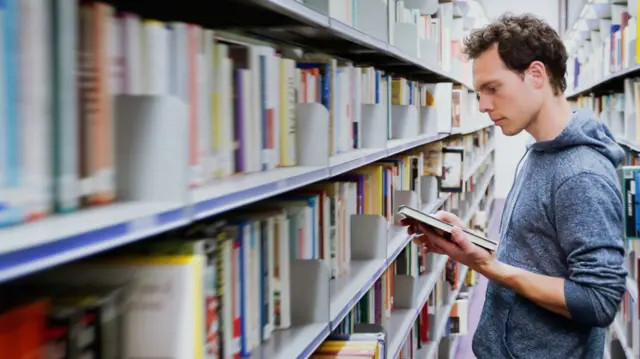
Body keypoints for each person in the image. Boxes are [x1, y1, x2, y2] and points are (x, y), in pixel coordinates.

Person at [399, 13, 628, 359]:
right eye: (479, 92)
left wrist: (491, 268)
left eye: (493, 88)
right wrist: (470, 246)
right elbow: (541, 255)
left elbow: (599, 300)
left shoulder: (582, 175)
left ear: (536, 75)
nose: (483, 105)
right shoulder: (540, 151)